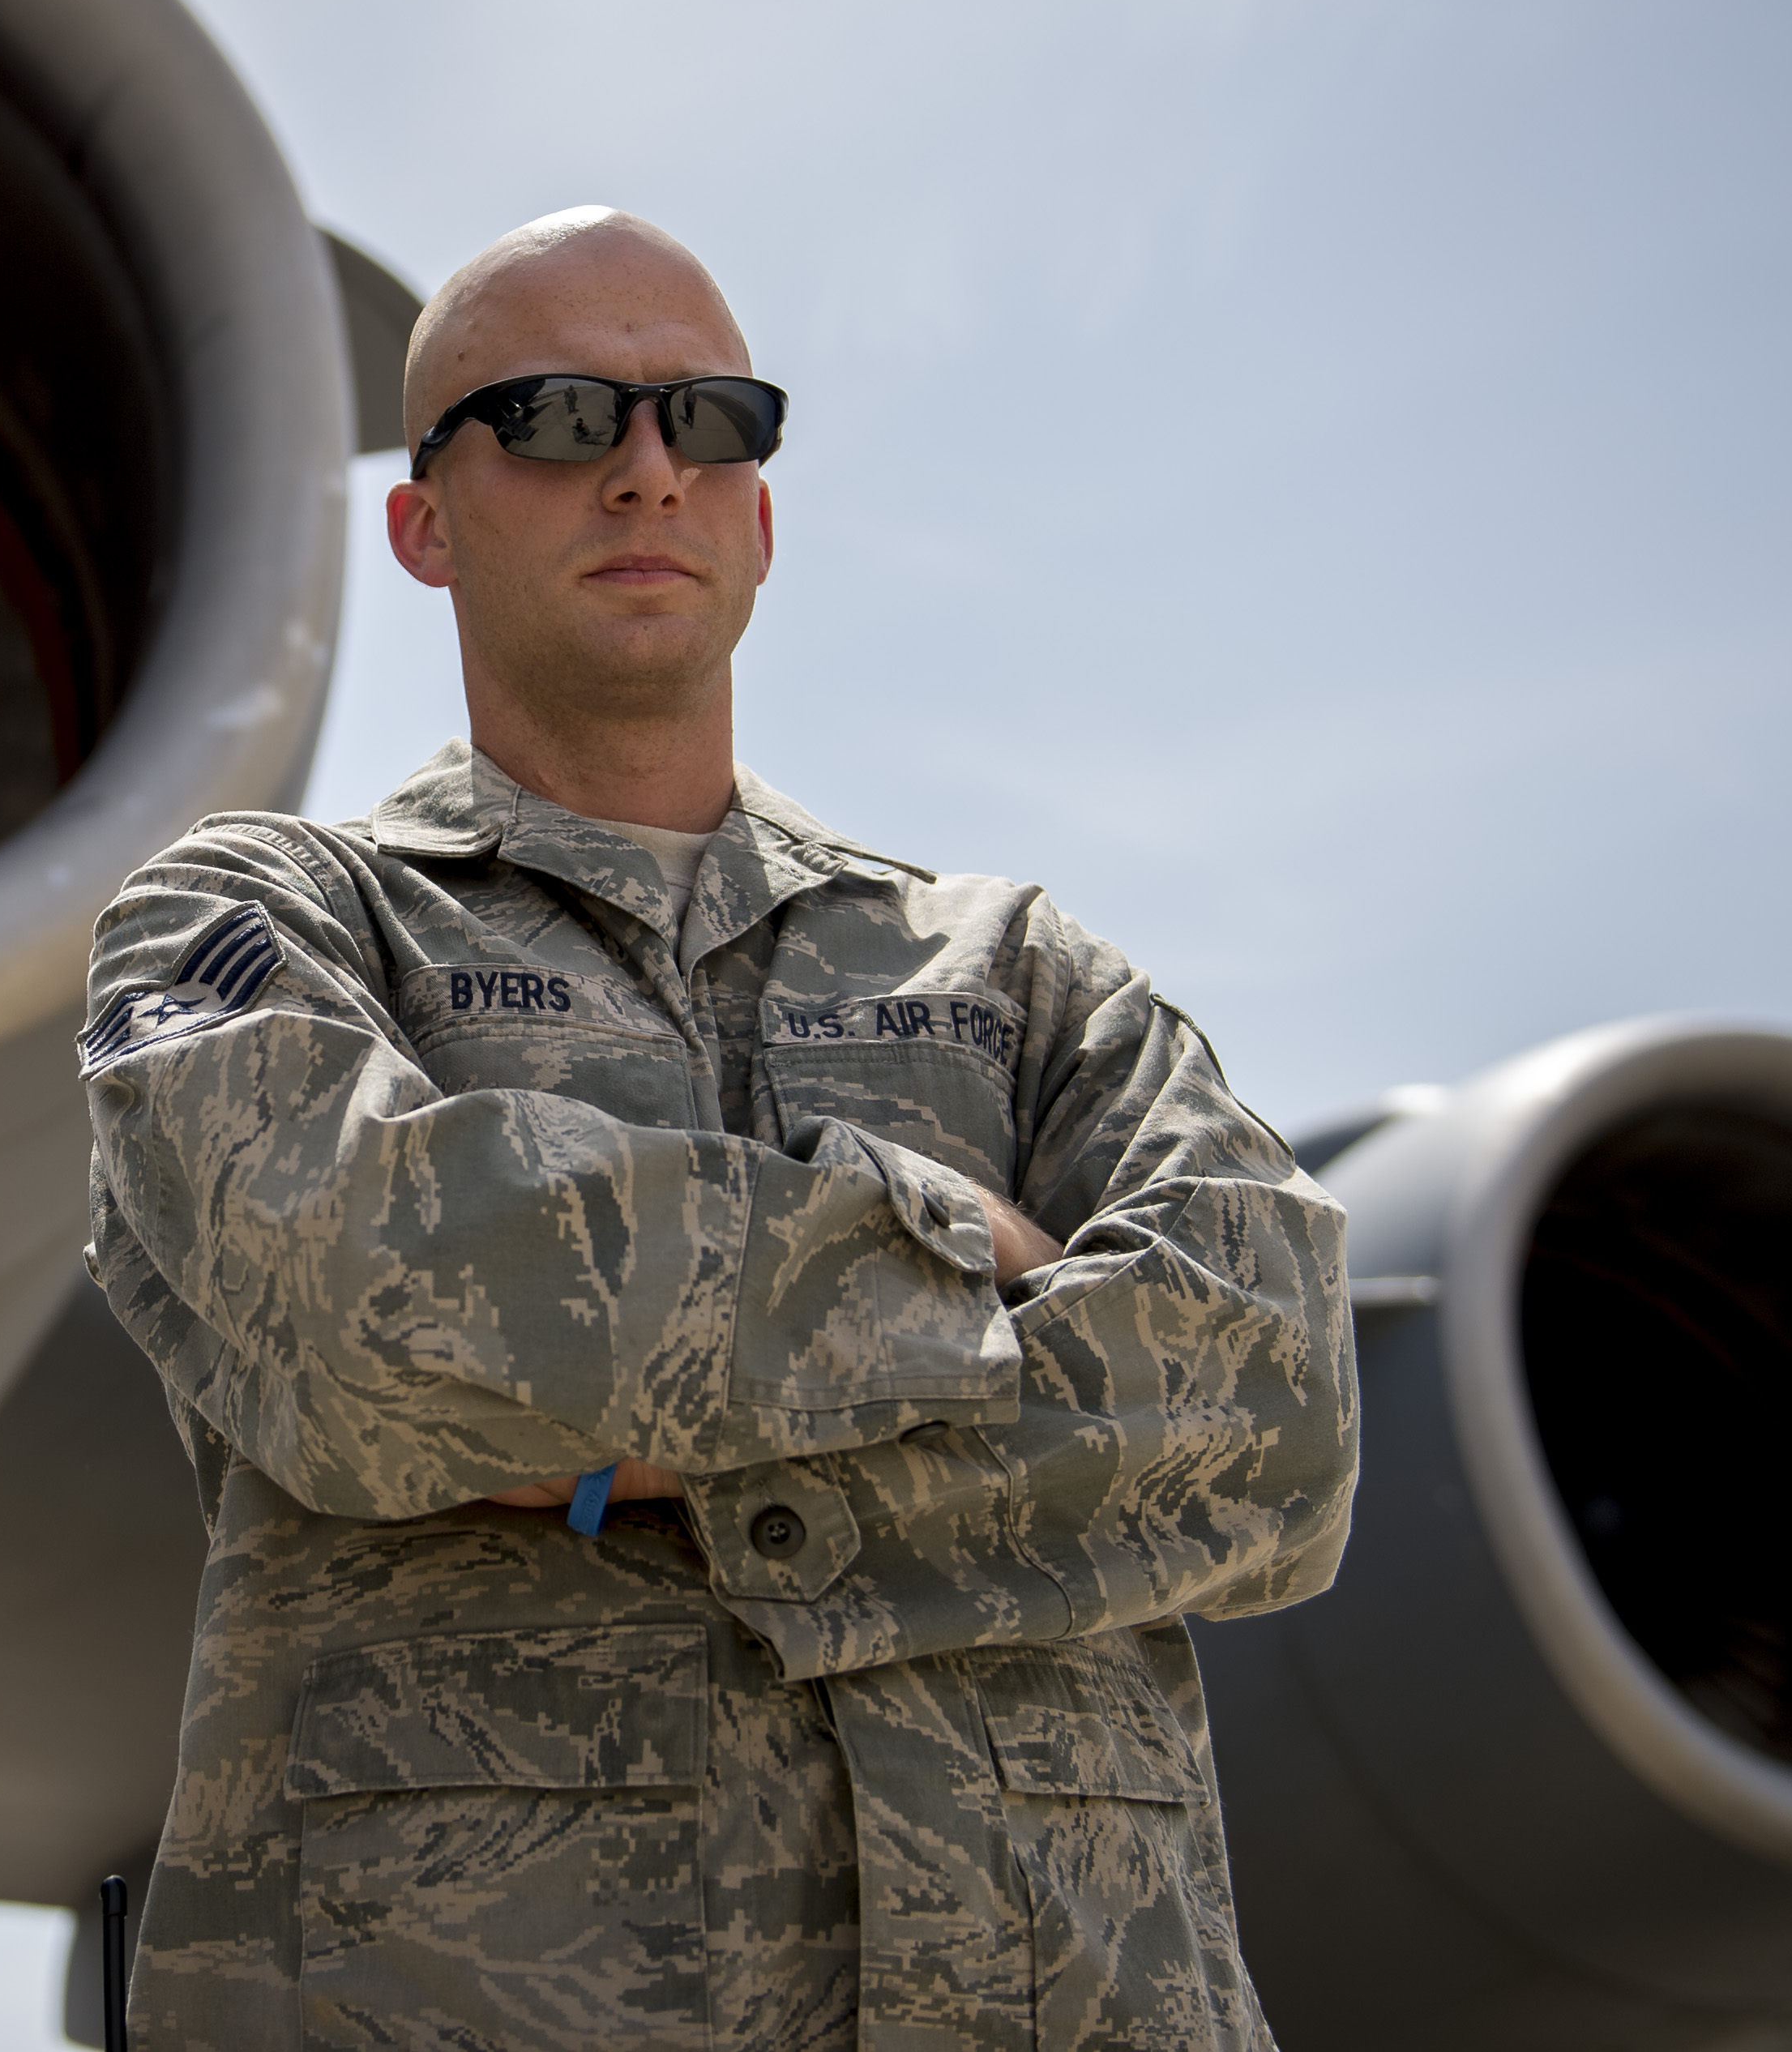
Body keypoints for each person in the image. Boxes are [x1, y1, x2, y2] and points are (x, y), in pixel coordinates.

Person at [79, 207, 1356, 2051]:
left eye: (711, 420)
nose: (648, 470)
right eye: (556, 417)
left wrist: (641, 1435)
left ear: (762, 514)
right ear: (423, 524)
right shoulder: (267, 919)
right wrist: (965, 1252)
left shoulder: (1015, 971)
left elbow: (1282, 1406)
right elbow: (369, 1308)